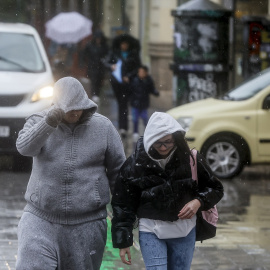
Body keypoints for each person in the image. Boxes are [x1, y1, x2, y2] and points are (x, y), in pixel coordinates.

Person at [15, 77, 126, 270]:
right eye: (69, 107)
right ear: (57, 106)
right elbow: (24, 148)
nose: (74, 111)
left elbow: (120, 175)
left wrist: (122, 222)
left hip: (87, 224)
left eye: (79, 106)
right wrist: (48, 123)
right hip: (40, 219)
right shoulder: (38, 121)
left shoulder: (104, 128)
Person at [111, 112, 224, 269]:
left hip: (185, 231)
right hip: (150, 231)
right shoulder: (135, 165)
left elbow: (215, 188)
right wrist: (123, 241)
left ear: (176, 138)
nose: (163, 147)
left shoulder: (191, 159)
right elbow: (123, 204)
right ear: (150, 140)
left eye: (168, 142)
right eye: (158, 143)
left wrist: (198, 201)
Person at [105, 34, 141, 139]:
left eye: (125, 44)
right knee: (121, 103)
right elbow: (106, 62)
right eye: (122, 44)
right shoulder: (115, 53)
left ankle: (125, 127)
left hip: (128, 84)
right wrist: (111, 66)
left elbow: (137, 68)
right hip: (117, 83)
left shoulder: (133, 55)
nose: (124, 46)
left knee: (125, 104)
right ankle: (123, 127)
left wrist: (129, 76)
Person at [129, 65, 159, 142]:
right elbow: (130, 90)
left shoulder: (148, 81)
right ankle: (135, 132)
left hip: (144, 104)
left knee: (145, 119)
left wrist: (155, 92)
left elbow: (152, 89)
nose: (140, 73)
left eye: (142, 72)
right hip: (135, 103)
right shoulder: (135, 80)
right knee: (135, 119)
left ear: (146, 73)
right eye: (139, 72)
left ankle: (147, 134)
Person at [83, 30, 108, 104]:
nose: (98, 40)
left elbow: (107, 55)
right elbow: (84, 55)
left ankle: (97, 94)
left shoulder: (104, 46)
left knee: (99, 81)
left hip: (101, 66)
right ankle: (94, 94)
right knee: (93, 80)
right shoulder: (90, 45)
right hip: (92, 66)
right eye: (97, 39)